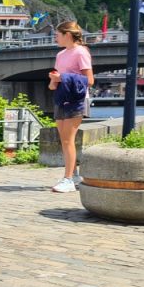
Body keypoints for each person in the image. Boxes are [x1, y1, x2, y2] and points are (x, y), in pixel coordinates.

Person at [48, 20, 94, 193]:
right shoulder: (60, 55)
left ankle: (68, 179)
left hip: (77, 100)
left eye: (57, 35)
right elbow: (57, 81)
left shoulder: (81, 52)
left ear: (67, 35)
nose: (55, 38)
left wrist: (64, 78)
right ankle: (73, 175)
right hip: (61, 98)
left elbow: (89, 80)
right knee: (65, 140)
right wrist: (54, 80)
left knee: (68, 140)